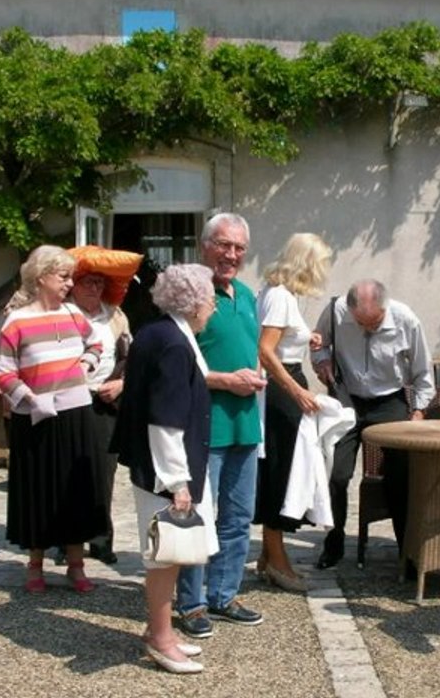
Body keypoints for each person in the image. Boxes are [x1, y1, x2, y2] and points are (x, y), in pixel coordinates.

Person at [112, 264, 218, 674]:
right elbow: (165, 420)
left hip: (155, 464)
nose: (212, 306)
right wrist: (178, 483)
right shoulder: (173, 342)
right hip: (164, 468)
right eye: (209, 298)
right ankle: (160, 637)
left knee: (165, 555)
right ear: (192, 302)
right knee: (164, 555)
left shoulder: (158, 331)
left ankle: (161, 632)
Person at [0, 245, 107, 594]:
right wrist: (29, 398)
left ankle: (76, 565)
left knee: (77, 489)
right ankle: (35, 564)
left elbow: (97, 343)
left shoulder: (74, 314)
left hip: (76, 413)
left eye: (70, 277)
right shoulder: (17, 320)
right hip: (36, 418)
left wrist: (87, 363)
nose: (70, 283)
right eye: (63, 276)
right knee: (39, 490)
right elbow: (2, 370)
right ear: (41, 277)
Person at [176, 213, 267, 640]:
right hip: (205, 425)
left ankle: (224, 594)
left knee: (237, 517)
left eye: (238, 248)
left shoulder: (247, 295)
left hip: (246, 424)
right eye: (223, 245)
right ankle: (190, 602)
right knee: (197, 518)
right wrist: (225, 380)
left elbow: (249, 350)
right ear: (204, 245)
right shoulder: (190, 295)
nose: (231, 255)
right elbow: (177, 365)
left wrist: (253, 376)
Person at [311, 279, 435, 570]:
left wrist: (417, 414)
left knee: (400, 476)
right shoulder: (335, 311)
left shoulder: (406, 319)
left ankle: (407, 551)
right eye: (361, 324)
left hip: (389, 401)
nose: (368, 330)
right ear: (350, 310)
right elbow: (318, 344)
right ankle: (334, 542)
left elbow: (423, 375)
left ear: (385, 308)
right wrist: (322, 363)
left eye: (374, 323)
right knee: (336, 474)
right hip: (347, 398)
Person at [255, 233, 333, 593]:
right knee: (282, 476)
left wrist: (307, 338)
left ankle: (270, 555)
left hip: (282, 387)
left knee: (285, 472)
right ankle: (277, 559)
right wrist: (297, 390)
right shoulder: (280, 297)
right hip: (281, 390)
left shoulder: (279, 294)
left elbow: (279, 342)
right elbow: (266, 352)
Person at [62, 246, 141, 565]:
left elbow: (132, 356)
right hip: (68, 400)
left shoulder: (114, 314)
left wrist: (122, 384)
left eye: (99, 282)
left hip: (105, 400)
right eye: (87, 282)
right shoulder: (62, 313)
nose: (95, 288)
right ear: (74, 285)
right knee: (68, 471)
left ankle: (100, 537)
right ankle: (67, 539)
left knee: (102, 472)